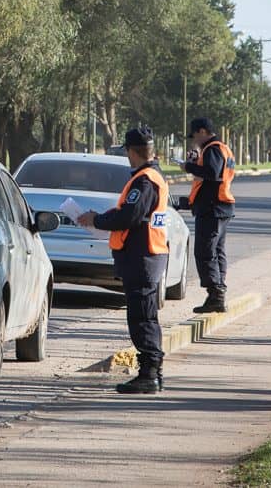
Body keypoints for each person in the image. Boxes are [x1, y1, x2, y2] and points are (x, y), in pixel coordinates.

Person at [77, 126, 170, 394]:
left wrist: (97, 220)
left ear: (131, 151)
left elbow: (128, 216)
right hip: (148, 256)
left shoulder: (145, 181)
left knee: (142, 318)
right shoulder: (152, 176)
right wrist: (101, 217)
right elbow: (128, 211)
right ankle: (153, 373)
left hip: (142, 257)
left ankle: (149, 375)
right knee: (146, 316)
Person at [183, 117, 236, 314]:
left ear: (203, 131)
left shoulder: (212, 149)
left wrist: (188, 167)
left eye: (195, 136)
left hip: (213, 209)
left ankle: (216, 293)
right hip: (220, 207)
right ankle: (217, 293)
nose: (195, 140)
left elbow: (212, 173)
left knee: (205, 252)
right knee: (217, 251)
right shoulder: (222, 148)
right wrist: (196, 161)